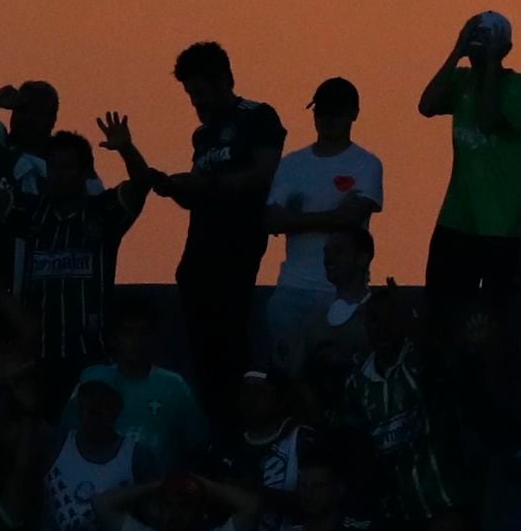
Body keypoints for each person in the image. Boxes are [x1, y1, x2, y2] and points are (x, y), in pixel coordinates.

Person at [105, 42, 284, 406]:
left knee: (231, 338)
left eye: (199, 92)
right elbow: (197, 193)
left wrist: (207, 184)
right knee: (202, 346)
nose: (196, 103)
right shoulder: (203, 136)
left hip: (237, 246)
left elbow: (265, 175)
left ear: (224, 81)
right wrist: (173, 186)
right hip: (199, 250)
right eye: (190, 95)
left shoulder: (258, 117)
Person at [420, 11, 521, 321]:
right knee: (444, 314)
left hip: (500, 226)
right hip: (457, 220)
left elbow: (487, 121)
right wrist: (457, 51)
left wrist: (490, 65)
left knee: (495, 323)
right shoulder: (460, 82)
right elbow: (426, 105)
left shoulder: (520, 86)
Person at [263, 76, 382, 371]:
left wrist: (296, 219)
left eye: (335, 112)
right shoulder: (291, 164)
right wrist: (333, 216)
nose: (327, 120)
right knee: (286, 378)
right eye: (321, 112)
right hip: (292, 290)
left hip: (342, 294)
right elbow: (271, 220)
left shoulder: (366, 164)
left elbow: (352, 219)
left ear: (353, 113)